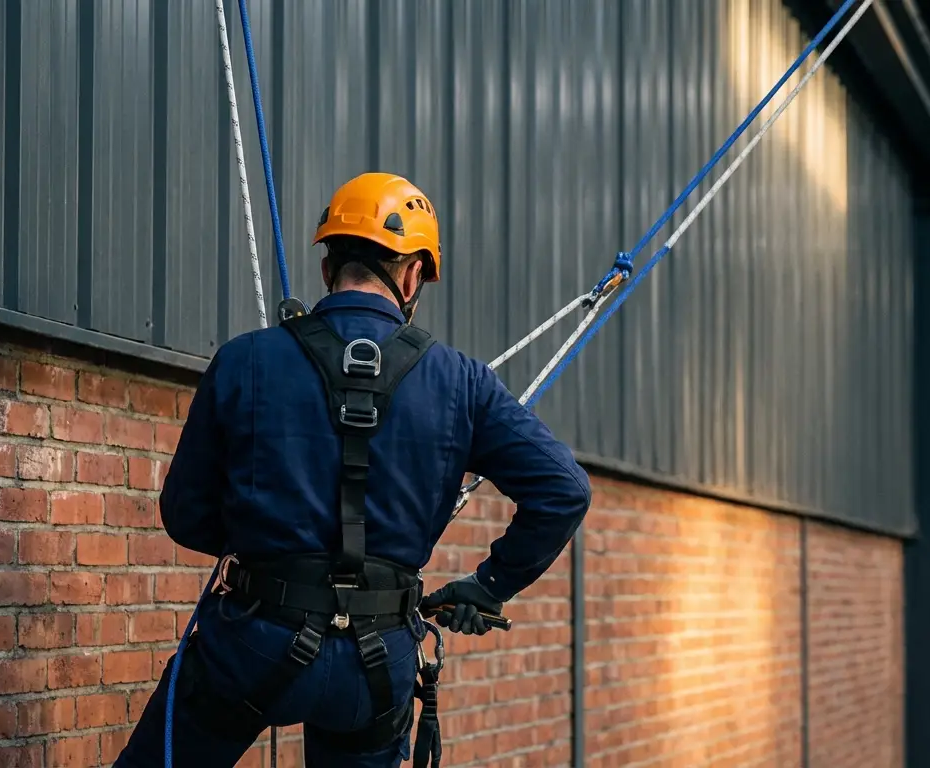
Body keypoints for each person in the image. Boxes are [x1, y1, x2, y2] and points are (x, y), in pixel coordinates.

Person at [115, 172, 591, 767]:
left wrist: (263, 545)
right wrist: (490, 583)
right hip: (376, 663)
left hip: (253, 640)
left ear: (326, 268)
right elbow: (564, 490)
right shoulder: (461, 383)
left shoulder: (246, 359)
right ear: (414, 273)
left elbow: (184, 514)